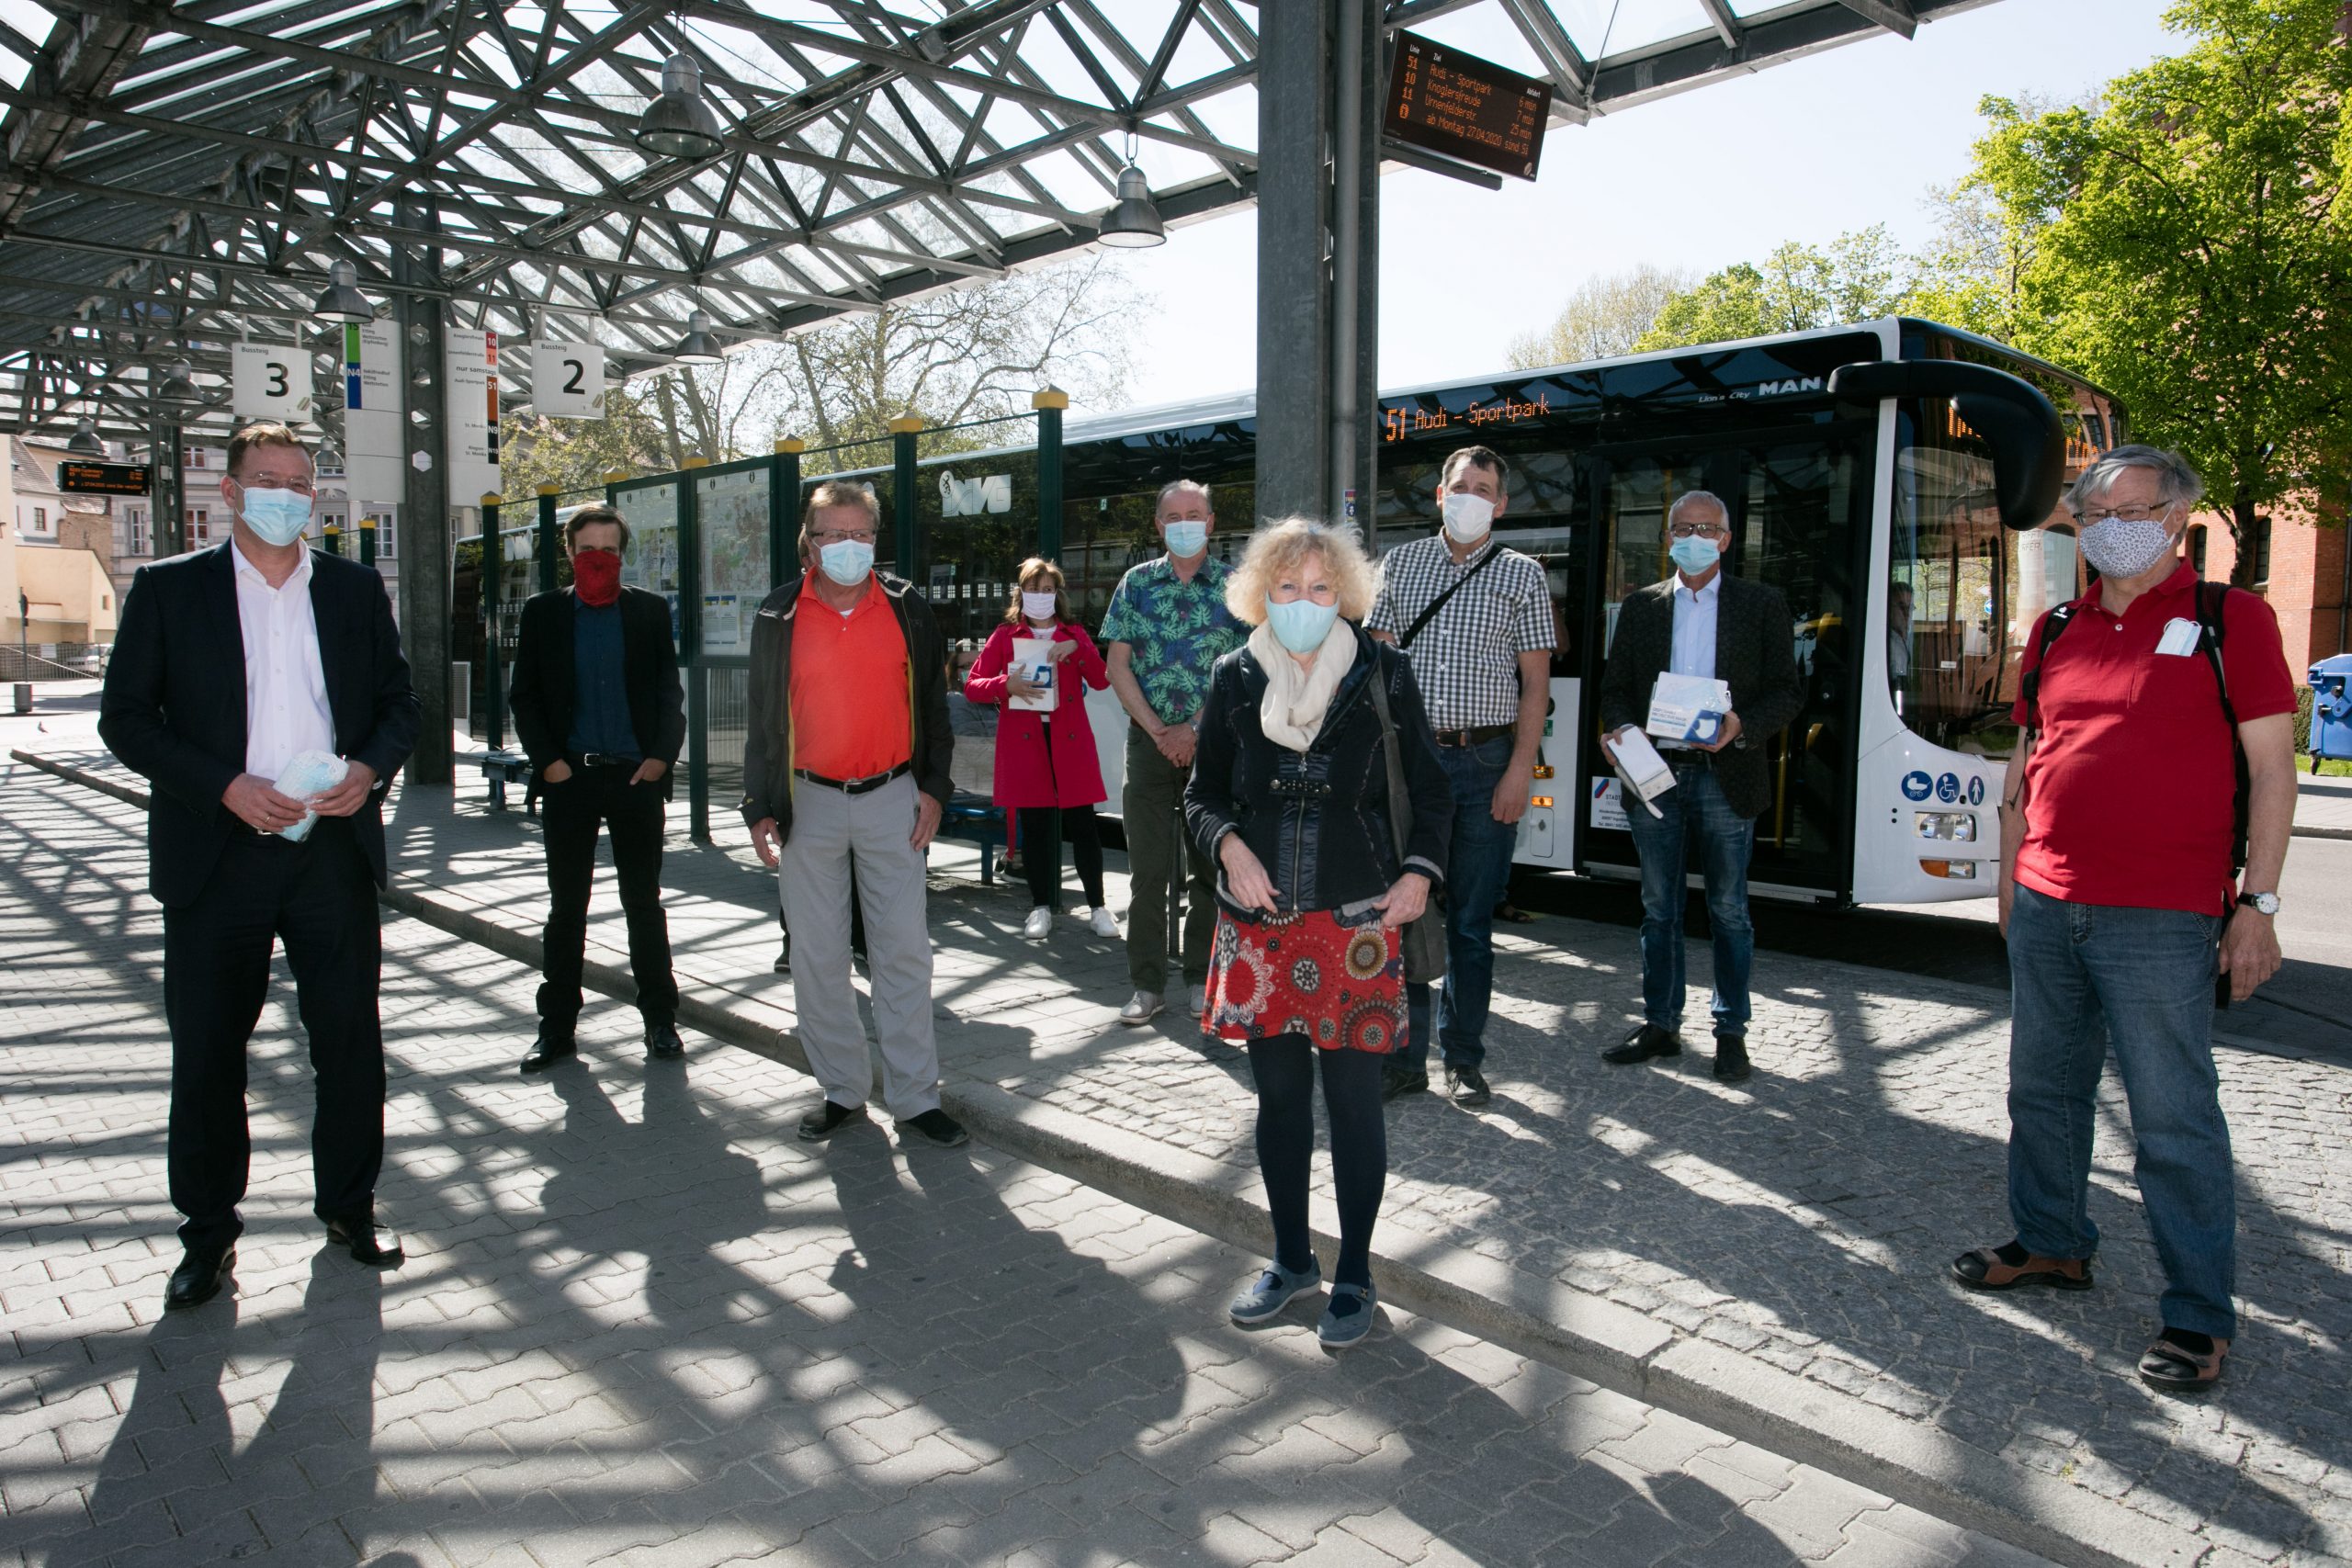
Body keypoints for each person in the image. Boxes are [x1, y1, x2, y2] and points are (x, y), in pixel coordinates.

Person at [1954, 446, 2295, 1393]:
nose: (2105, 526)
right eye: (2090, 512)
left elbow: (2272, 770)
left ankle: (2196, 1315)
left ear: (2176, 519)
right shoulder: (2056, 625)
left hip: (2164, 913)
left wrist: (2256, 905)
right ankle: (2053, 1243)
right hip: (2048, 901)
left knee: (2172, 1119)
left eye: (2126, 510)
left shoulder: (2233, 620)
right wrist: (2007, 878)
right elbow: (2030, 759)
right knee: (2043, 1094)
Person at [97, 420, 421, 1308]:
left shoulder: (354, 590)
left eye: (300, 482)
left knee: (350, 1043)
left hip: (329, 853)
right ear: (231, 492)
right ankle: (207, 1237)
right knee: (208, 1054)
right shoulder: (170, 590)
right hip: (217, 854)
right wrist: (223, 786)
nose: (285, 494)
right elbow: (124, 719)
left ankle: (350, 1208)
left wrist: (369, 770)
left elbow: (400, 703)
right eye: (266, 478)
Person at [1186, 519, 1452, 1347]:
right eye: (1290, 587)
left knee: (1354, 1103)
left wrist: (1416, 875)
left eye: (1322, 588)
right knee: (1280, 1102)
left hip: (1357, 924)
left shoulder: (1386, 673)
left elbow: (1436, 796)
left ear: (1348, 595)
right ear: (1262, 593)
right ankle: (1293, 1259)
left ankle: (1358, 1275)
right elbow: (1201, 795)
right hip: (1260, 926)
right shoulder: (1234, 676)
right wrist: (1228, 846)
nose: (1305, 602)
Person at [742, 481, 967, 1149]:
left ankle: (915, 1097)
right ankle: (842, 1090)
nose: (847, 546)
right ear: (807, 541)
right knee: (816, 956)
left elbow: (934, 704)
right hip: (805, 803)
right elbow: (761, 720)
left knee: (903, 954)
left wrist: (933, 788)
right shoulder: (777, 614)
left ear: (876, 538)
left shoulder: (907, 608)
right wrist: (758, 806)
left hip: (894, 798)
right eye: (832, 534)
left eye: (860, 534)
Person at [1365, 446, 1555, 1107]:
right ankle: (1404, 1055)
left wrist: (1519, 775)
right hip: (1410, 766)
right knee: (1404, 913)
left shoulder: (1523, 574)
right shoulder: (1401, 563)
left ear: (1500, 503)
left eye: (1485, 487)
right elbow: (1375, 662)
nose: (1472, 495)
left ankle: (1464, 1058)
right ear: (1439, 495)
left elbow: (1535, 685)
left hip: (1483, 765)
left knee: (1472, 923)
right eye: (1460, 485)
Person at [1596, 490, 1800, 1085]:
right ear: (1667, 539)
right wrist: (1619, 727)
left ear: (1726, 540)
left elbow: (1787, 691)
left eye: (1706, 528)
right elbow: (1614, 689)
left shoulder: (1761, 604)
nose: (1693, 536)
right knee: (1658, 908)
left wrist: (1741, 725)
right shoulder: (1641, 608)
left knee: (1728, 910)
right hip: (1655, 774)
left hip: (1726, 775)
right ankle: (1661, 1023)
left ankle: (1730, 1031)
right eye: (1682, 527)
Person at [506, 504, 687, 1072]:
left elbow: (667, 695)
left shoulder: (649, 611)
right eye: (588, 549)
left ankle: (660, 1020)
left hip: (635, 777)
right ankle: (556, 1028)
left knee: (643, 904)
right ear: (570, 552)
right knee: (568, 909)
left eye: (609, 549)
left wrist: (660, 759)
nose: (599, 560)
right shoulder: (544, 613)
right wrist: (551, 765)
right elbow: (526, 697)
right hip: (571, 778)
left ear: (622, 554)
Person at [1101, 479, 1248, 1025]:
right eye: (1172, 516)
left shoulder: (1237, 587)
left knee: (1210, 871)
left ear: (1210, 521)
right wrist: (1163, 730)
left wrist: (1193, 729)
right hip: (1148, 743)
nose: (1184, 523)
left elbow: (1248, 670)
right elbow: (1118, 666)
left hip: (1214, 749)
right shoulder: (1136, 584)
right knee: (1147, 874)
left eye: (1195, 513)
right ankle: (1146, 985)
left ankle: (1199, 981)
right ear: (1159, 525)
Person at [965, 558, 1116, 940]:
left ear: (1057, 594)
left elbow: (1101, 681)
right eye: (1033, 589)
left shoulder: (1075, 632)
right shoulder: (1005, 635)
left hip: (1071, 744)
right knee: (1035, 829)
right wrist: (1006, 685)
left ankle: (1098, 907)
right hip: (1026, 744)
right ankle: (1040, 907)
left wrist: (1077, 648)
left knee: (1084, 827)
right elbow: (973, 685)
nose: (1040, 596)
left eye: (1048, 589)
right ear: (1021, 593)